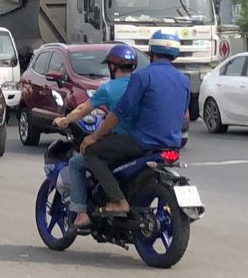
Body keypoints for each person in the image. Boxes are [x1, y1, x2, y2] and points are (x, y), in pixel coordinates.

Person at [79, 32, 189, 217]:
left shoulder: (142, 77)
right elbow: (183, 113)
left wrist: (93, 137)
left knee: (92, 152)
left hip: (143, 142)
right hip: (172, 143)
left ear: (151, 51)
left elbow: (119, 114)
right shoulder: (184, 80)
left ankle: (118, 201)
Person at [52, 44, 140, 230]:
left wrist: (64, 120)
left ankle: (81, 214)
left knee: (77, 162)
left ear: (112, 66)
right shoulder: (141, 85)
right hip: (143, 142)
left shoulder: (108, 89)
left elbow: (83, 109)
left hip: (120, 143)